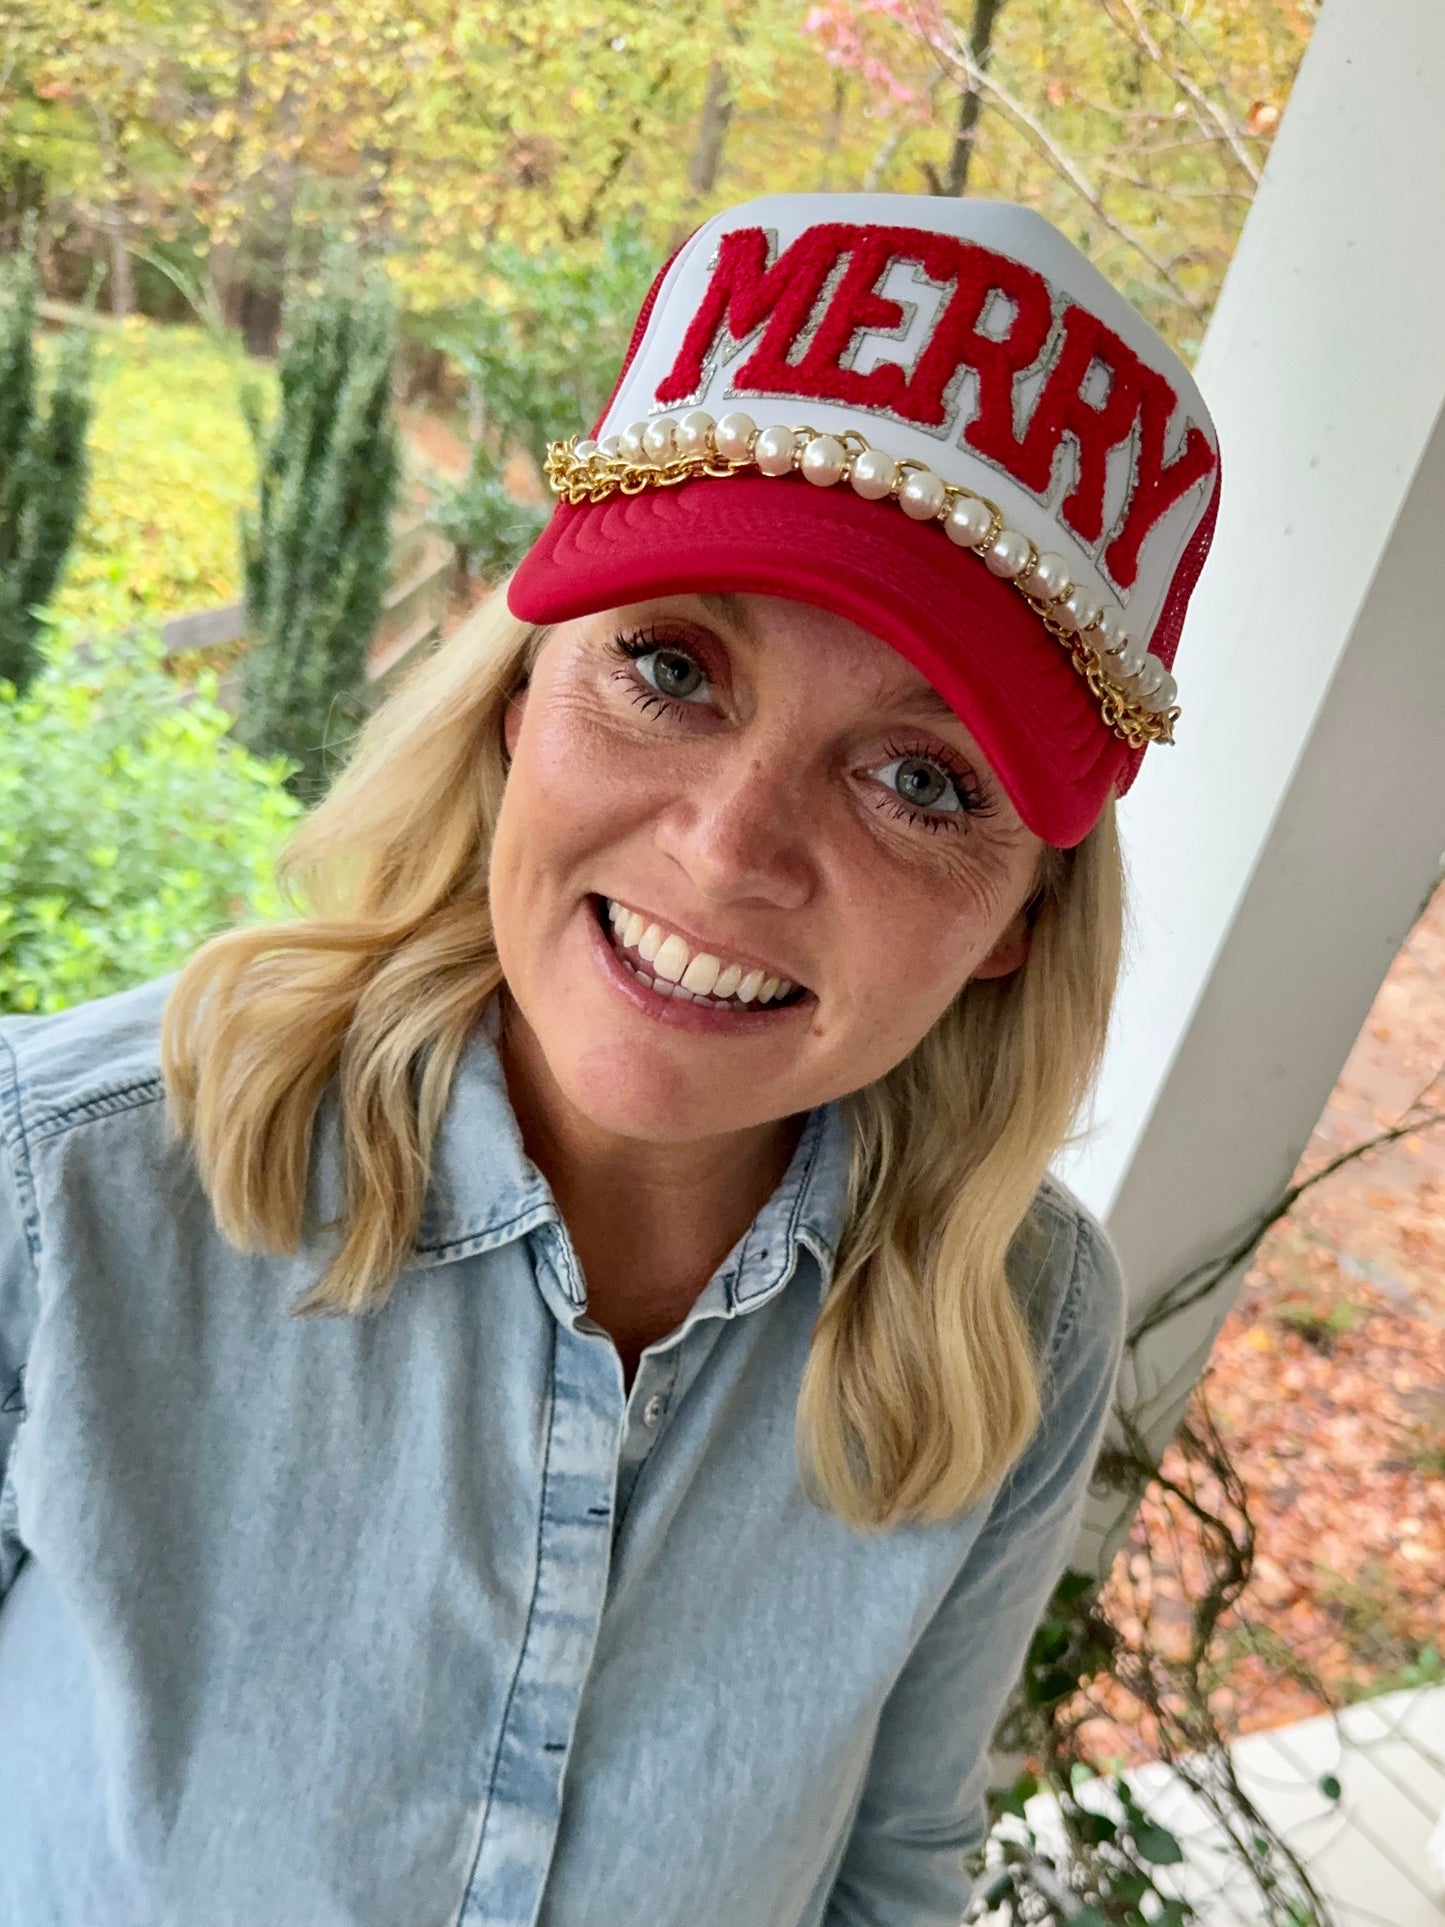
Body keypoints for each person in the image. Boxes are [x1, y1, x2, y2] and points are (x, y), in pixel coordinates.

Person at [0, 192, 1219, 1927]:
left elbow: (893, 1869)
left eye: (921, 779)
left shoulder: (1017, 1325)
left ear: (1017, 917)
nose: (729, 853)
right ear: (516, 697)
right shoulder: (66, 1185)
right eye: (669, 667)